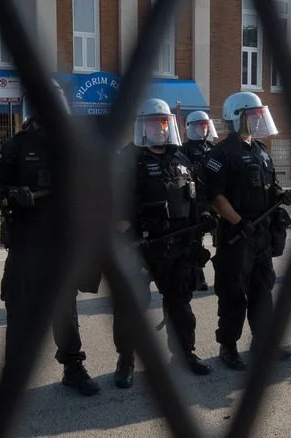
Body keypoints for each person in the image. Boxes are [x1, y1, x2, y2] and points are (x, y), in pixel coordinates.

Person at [0, 80, 104, 396]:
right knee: (20, 310)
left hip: (62, 241)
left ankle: (73, 367)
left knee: (65, 308)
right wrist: (13, 193)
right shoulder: (14, 147)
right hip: (27, 241)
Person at [203, 92, 291, 370]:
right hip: (238, 235)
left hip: (262, 233)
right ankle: (228, 346)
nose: (257, 120)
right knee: (233, 294)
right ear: (236, 117)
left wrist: (280, 194)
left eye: (259, 115)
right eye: (252, 116)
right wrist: (238, 221)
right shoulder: (220, 154)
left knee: (263, 290)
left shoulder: (261, 150)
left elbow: (269, 185)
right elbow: (216, 196)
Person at [123, 98, 215, 377]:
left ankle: (184, 353)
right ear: (142, 126)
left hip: (178, 247)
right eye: (154, 123)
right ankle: (126, 361)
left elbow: (196, 195)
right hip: (142, 247)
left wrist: (204, 215)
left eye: (164, 123)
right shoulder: (128, 159)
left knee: (180, 304)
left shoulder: (181, 158)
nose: (160, 128)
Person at [182, 110, 219, 291]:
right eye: (199, 125)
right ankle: (198, 277)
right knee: (195, 240)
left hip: (215, 198)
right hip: (196, 201)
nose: (203, 129)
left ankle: (223, 273)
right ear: (190, 127)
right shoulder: (184, 150)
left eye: (205, 125)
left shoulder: (213, 148)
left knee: (223, 237)